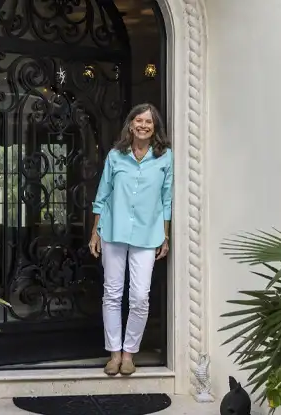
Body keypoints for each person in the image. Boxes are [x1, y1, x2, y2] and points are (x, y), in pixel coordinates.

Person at [89, 103, 172, 376]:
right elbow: (102, 195)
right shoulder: (116, 156)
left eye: (149, 122)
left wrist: (166, 235)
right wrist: (95, 232)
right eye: (139, 120)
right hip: (113, 231)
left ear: (155, 127)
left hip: (148, 234)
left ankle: (129, 354)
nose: (143, 125)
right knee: (112, 294)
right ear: (130, 124)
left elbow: (166, 199)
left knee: (139, 297)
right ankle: (114, 354)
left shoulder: (165, 158)